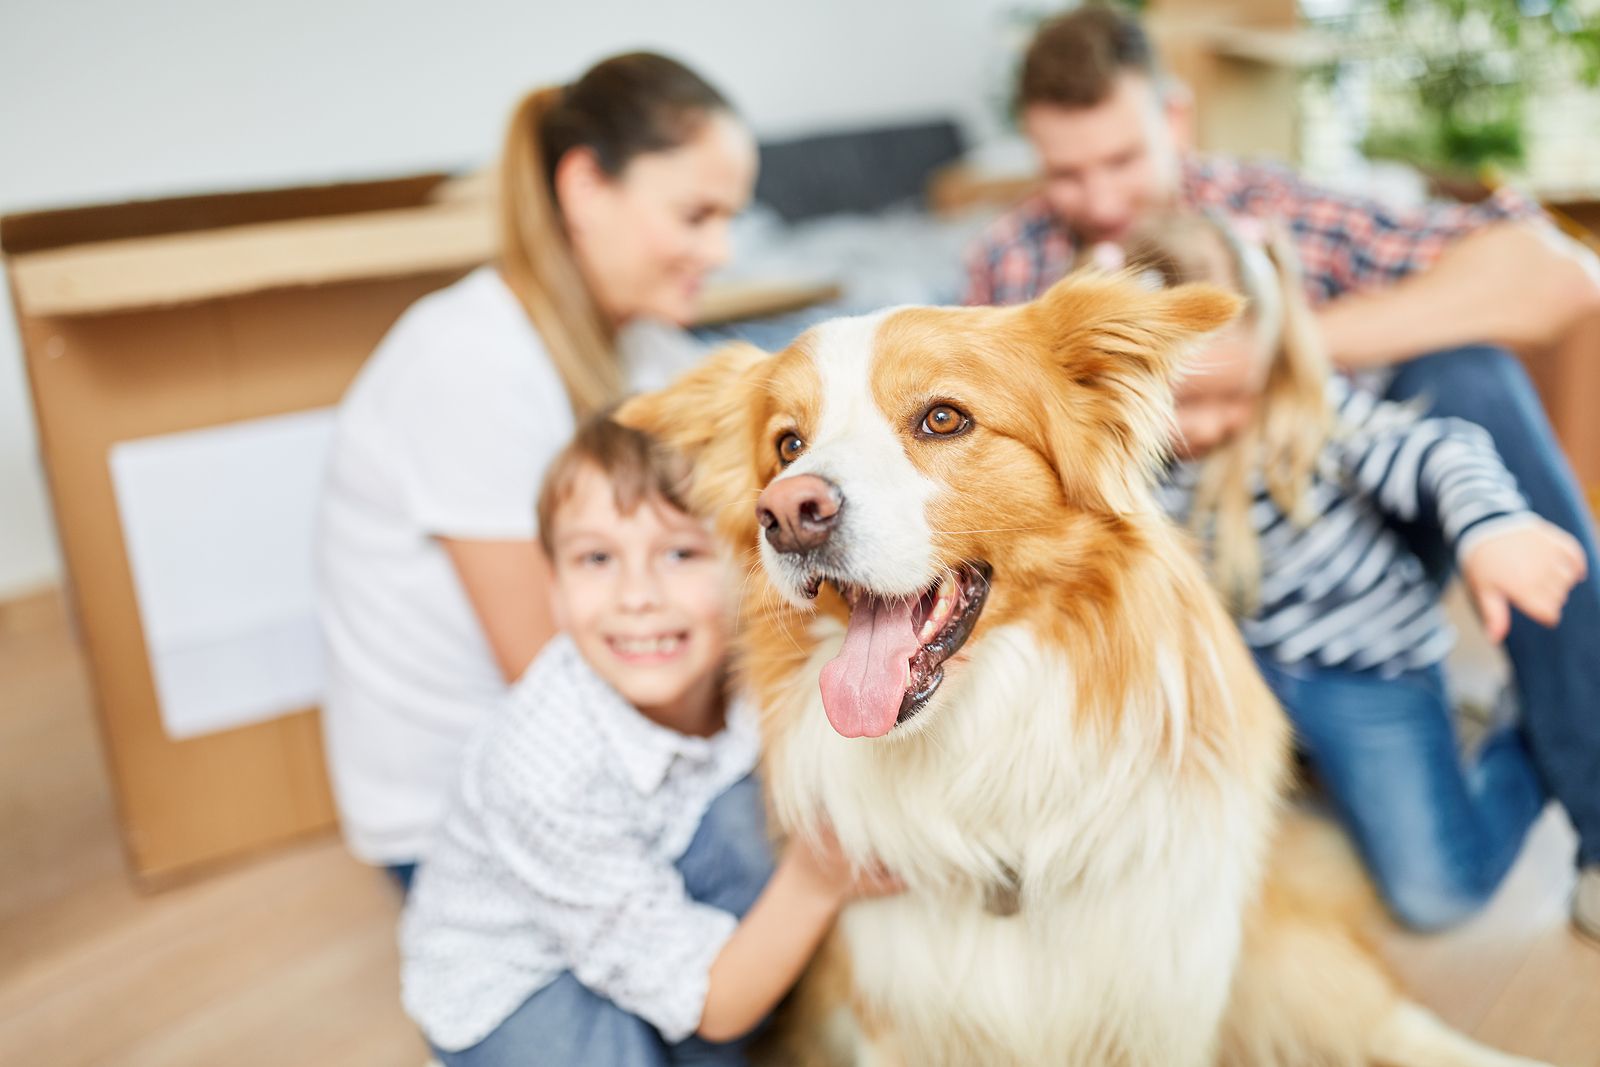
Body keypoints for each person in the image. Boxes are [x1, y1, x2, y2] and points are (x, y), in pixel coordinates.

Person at [962, 3, 1600, 941]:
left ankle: (1579, 768)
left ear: (1175, 121)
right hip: (1195, 605)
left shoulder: (1269, 213)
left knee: (1471, 378)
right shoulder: (1008, 268)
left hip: (1340, 549)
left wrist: (1275, 360)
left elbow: (1557, 279)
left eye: (1123, 161)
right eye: (1066, 171)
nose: (1099, 199)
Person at [316, 53, 757, 888]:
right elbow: (555, 661)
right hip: (469, 815)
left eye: (731, 218)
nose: (722, 249)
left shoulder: (645, 346)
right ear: (586, 187)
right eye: (696, 215)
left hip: (605, 739)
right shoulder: (468, 364)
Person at [1119, 211, 1594, 933]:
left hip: (1363, 674)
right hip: (1246, 677)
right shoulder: (1131, 451)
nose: (1213, 425)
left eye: (1235, 393)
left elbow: (1439, 450)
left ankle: (1520, 732)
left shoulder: (1313, 416)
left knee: (1437, 894)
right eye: (1185, 402)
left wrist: (1493, 526)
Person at [399, 417, 899, 1066]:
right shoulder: (542, 766)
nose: (637, 596)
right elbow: (714, 1009)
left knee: (751, 815)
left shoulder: (750, 667)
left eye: (680, 553)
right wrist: (816, 880)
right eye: (596, 559)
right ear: (552, 586)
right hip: (522, 983)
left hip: (652, 893)